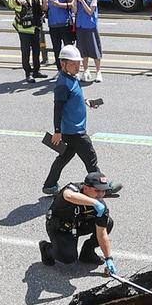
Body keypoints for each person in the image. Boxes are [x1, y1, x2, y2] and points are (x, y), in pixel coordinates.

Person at [43, 44, 116, 196]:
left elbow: (74, 97)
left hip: (71, 129)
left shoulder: (71, 78)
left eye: (78, 63)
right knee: (91, 158)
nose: (77, 67)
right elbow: (58, 109)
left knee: (64, 156)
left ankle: (50, 185)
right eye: (73, 64)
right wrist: (57, 131)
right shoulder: (62, 84)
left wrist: (86, 101)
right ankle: (103, 187)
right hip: (74, 131)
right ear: (63, 64)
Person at [40, 172, 119, 268]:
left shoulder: (101, 206)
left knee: (108, 223)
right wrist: (94, 203)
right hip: (60, 228)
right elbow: (68, 195)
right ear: (86, 188)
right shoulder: (73, 189)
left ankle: (87, 253)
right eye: (97, 190)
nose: (101, 194)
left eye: (103, 191)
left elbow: (102, 234)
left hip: (78, 226)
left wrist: (108, 258)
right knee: (68, 258)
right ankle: (46, 249)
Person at [6, 0, 46, 82]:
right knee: (26, 52)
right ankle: (28, 73)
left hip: (35, 27)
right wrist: (18, 0)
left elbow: (41, 7)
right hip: (24, 29)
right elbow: (7, 1)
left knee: (37, 50)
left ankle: (36, 71)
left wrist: (45, 7)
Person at [70, 0, 104, 83]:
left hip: (90, 27)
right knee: (82, 51)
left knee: (95, 50)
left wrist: (81, 0)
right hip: (80, 26)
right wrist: (74, 0)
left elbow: (90, 11)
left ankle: (98, 72)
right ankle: (86, 70)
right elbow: (74, 11)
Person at [41, 0, 75, 69]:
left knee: (68, 48)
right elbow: (44, 10)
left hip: (65, 24)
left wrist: (59, 4)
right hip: (53, 25)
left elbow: (72, 5)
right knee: (56, 48)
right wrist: (45, 4)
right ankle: (60, 69)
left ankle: (71, 68)